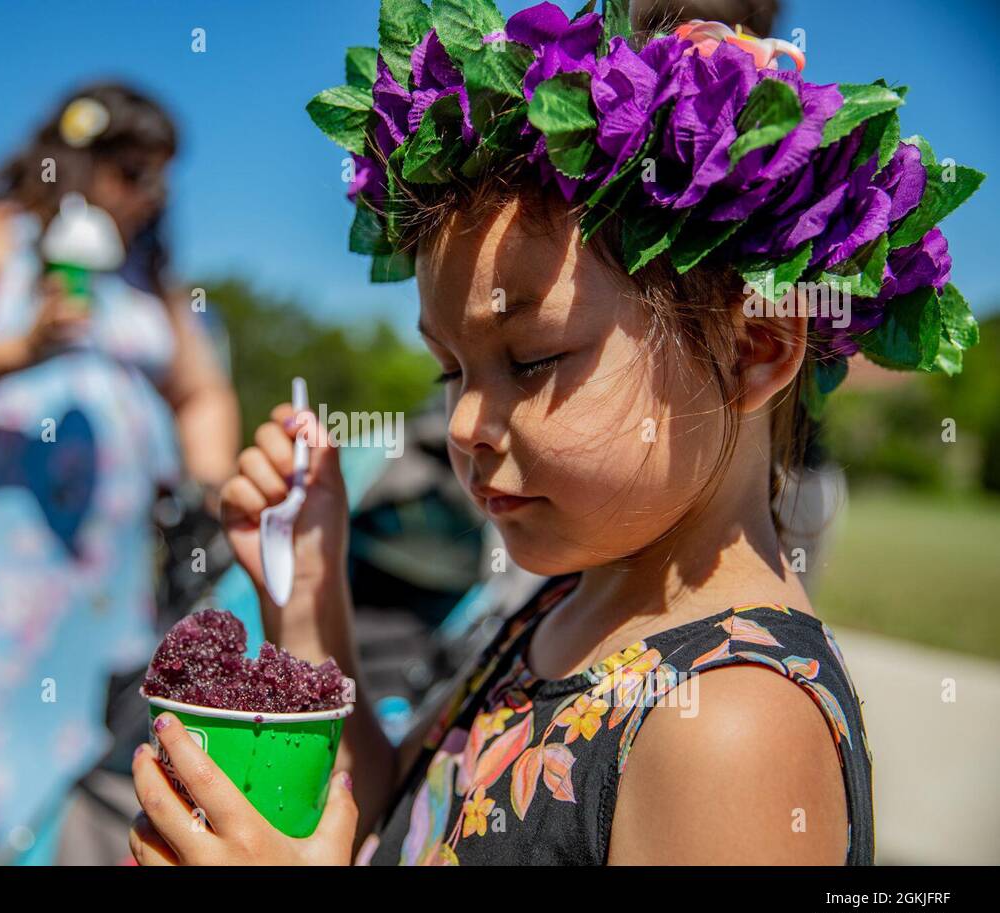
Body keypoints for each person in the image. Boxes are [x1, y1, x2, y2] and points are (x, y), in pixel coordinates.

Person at [126, 1, 980, 865]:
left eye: (531, 361)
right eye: (449, 370)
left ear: (752, 350)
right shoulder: (568, 603)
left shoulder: (729, 725)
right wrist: (310, 596)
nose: (463, 422)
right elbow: (400, 811)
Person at [0, 81, 239, 864]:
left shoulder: (149, 280)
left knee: (84, 785)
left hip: (110, 592)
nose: (150, 197)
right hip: (0, 585)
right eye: (134, 173)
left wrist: (210, 494)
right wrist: (24, 346)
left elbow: (201, 390)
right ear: (74, 162)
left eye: (161, 179)